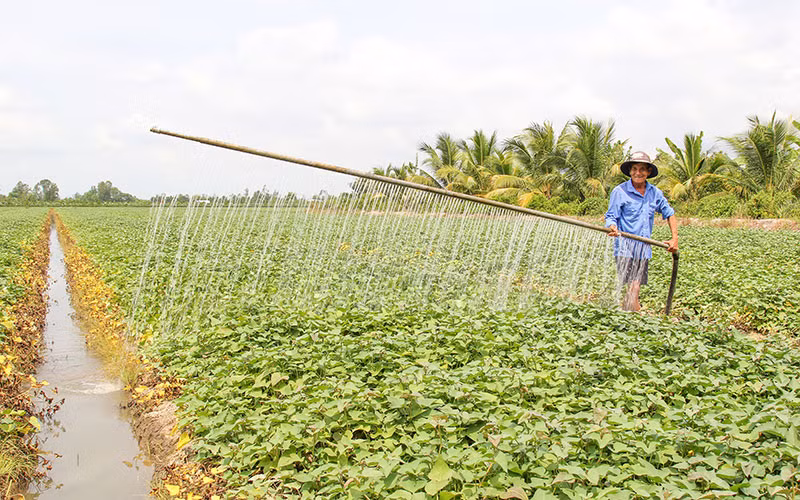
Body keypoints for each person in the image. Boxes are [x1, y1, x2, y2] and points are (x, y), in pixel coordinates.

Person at [605, 151, 678, 311]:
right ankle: (638, 323)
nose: (638, 173)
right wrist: (611, 226)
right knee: (634, 287)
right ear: (630, 171)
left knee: (633, 290)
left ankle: (625, 318)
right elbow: (611, 216)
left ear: (648, 172)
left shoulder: (655, 193)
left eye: (642, 169)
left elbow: (669, 213)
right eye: (635, 169)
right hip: (625, 248)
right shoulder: (620, 191)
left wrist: (674, 239)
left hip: (643, 249)